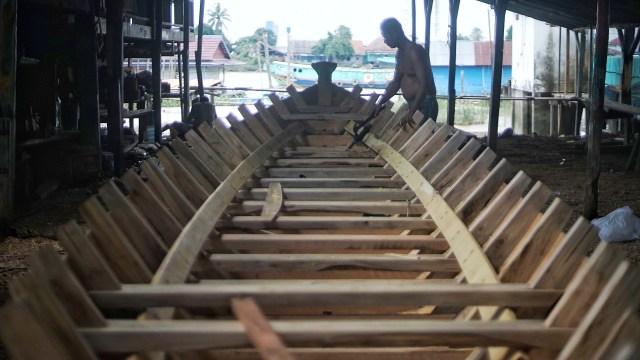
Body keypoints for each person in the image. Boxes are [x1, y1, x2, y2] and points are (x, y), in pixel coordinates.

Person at [374, 17, 438, 129]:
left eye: (385, 36)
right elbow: (395, 83)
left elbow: (424, 84)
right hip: (414, 104)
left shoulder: (414, 51)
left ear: (394, 34)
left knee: (421, 142)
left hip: (425, 104)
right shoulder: (400, 54)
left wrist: (411, 112)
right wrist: (380, 102)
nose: (385, 41)